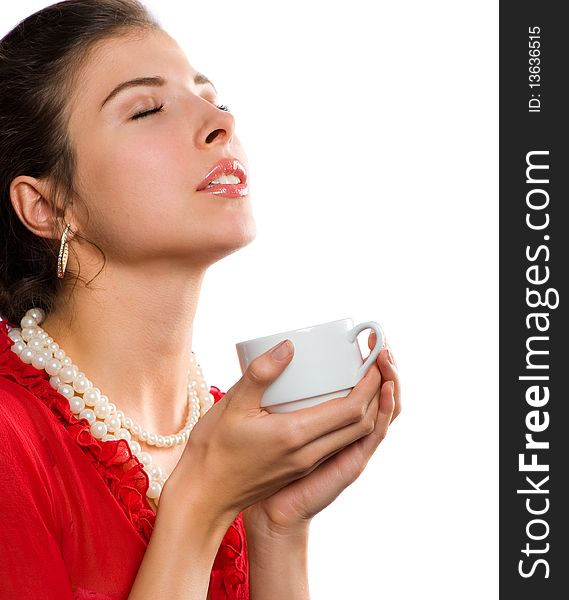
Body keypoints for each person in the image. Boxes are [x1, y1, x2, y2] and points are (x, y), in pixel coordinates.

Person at [0, 1, 401, 598]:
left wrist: (276, 527)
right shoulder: (14, 440)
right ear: (48, 204)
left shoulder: (235, 439)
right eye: (147, 109)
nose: (219, 122)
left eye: (214, 97)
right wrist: (203, 499)